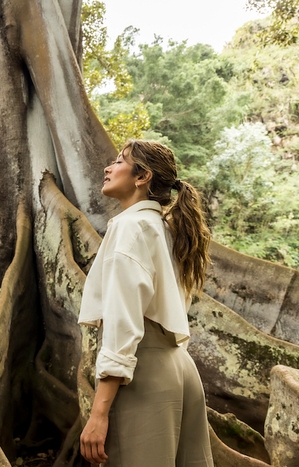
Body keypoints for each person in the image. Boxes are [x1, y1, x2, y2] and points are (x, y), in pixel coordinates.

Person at [78, 140, 214, 466]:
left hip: (144, 375)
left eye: (119, 161)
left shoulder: (130, 227)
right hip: (180, 368)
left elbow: (123, 321)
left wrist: (99, 413)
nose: (109, 168)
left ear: (142, 177)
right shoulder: (166, 229)